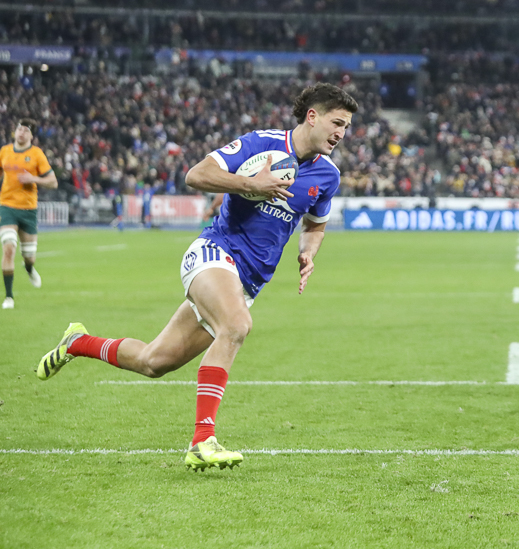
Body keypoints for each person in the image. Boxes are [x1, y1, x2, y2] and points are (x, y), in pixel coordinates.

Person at [36, 83, 358, 470]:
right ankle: (202, 440)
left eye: (346, 126)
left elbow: (316, 225)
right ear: (313, 116)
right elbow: (196, 174)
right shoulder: (261, 144)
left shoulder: (328, 174)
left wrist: (308, 251)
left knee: (155, 362)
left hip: (247, 282)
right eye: (337, 122)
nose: (341, 133)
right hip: (213, 254)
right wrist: (251, 184)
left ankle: (78, 341)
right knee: (237, 325)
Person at [0, 119, 58, 309]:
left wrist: (33, 178)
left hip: (28, 210)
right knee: (8, 249)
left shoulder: (36, 154)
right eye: (19, 129)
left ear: (31, 136)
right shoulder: (4, 152)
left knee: (28, 257)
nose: (22, 133)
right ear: (14, 132)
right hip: (7, 206)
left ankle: (30, 268)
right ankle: (9, 297)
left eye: (26, 130)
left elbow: (53, 181)